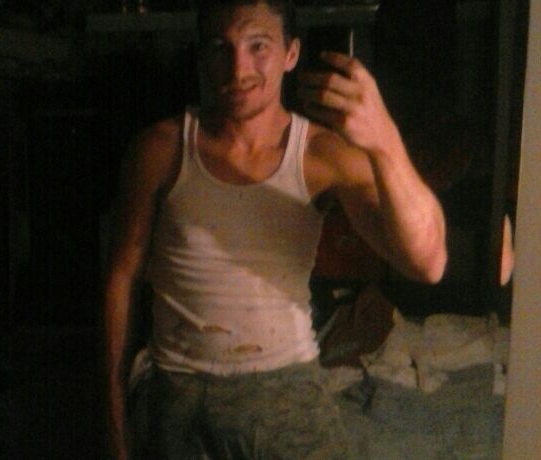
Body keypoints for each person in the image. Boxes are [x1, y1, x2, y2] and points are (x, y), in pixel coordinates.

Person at [103, 0, 447, 458]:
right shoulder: (160, 149)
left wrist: (384, 140)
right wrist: (114, 423)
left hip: (283, 384)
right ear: (201, 56)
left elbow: (428, 263)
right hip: (177, 387)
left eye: (258, 45)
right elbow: (121, 279)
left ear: (291, 53)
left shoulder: (322, 154)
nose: (238, 68)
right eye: (220, 47)